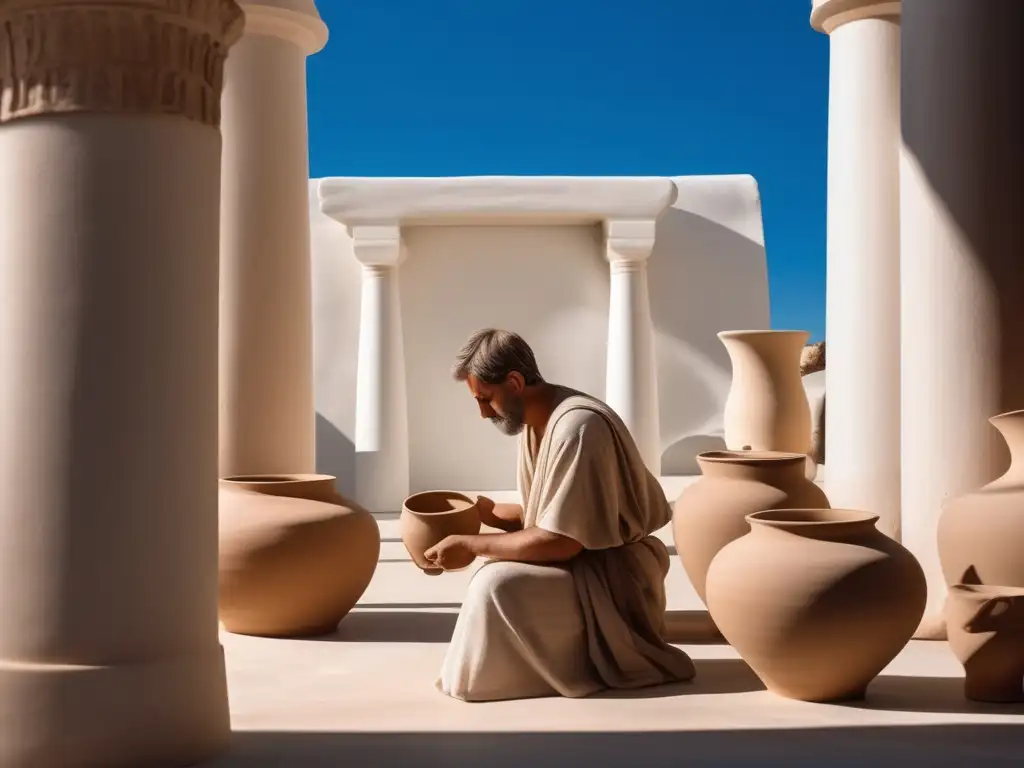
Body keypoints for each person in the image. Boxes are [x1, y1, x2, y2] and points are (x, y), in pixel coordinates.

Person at [425, 328, 696, 701]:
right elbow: (562, 513)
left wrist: (473, 545)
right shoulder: (534, 422)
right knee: (492, 576)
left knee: (495, 585)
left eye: (485, 399)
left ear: (515, 382)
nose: (482, 412)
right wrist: (487, 515)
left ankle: (513, 678)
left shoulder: (579, 427)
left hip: (613, 576)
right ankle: (492, 679)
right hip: (582, 558)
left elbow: (563, 541)